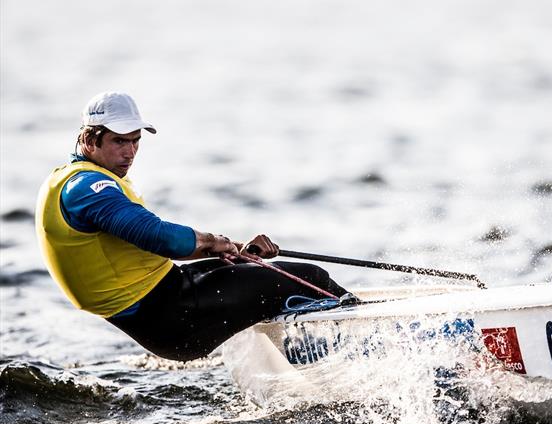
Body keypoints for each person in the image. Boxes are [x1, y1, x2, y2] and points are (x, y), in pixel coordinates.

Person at [35, 91, 351, 362]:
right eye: (119, 141)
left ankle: (308, 353)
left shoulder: (72, 179)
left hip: (170, 294)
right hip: (170, 319)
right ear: (90, 139)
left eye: (135, 141)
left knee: (272, 275)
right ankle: (366, 343)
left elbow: (137, 250)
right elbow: (155, 236)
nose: (130, 152)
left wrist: (233, 251)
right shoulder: (84, 189)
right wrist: (211, 240)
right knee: (310, 278)